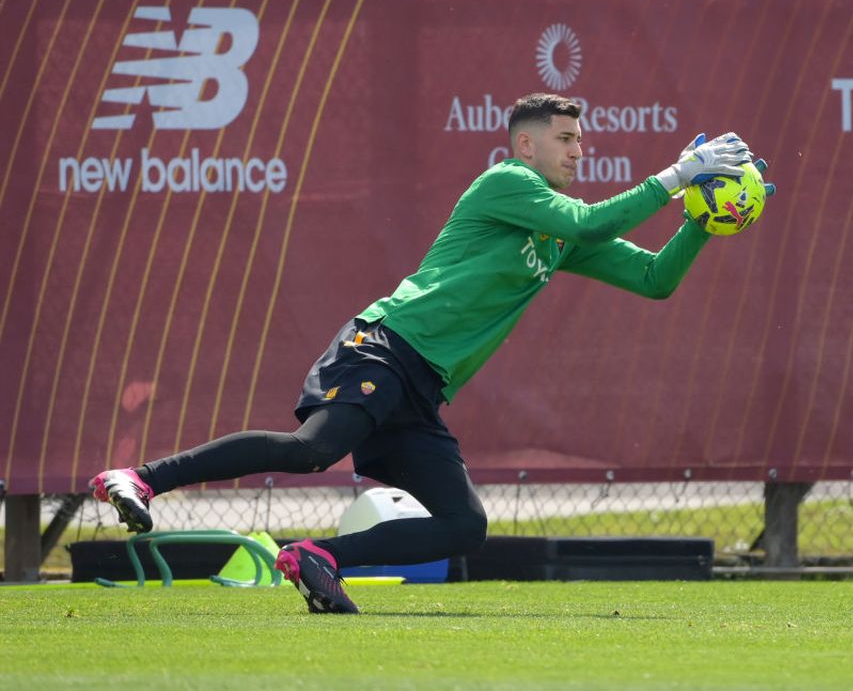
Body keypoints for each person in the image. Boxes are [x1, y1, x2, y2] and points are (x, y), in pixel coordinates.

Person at [90, 92, 766, 613]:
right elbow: (593, 219)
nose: (577, 150)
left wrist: (702, 219)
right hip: (383, 348)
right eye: (564, 139)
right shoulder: (506, 185)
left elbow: (655, 280)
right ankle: (143, 479)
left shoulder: (562, 234)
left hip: (421, 388)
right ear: (523, 146)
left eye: (580, 140)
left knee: (464, 524)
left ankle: (317, 557)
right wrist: (680, 173)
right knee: (312, 450)